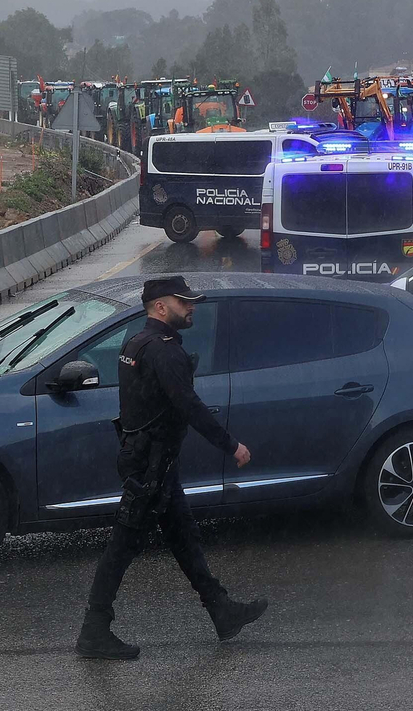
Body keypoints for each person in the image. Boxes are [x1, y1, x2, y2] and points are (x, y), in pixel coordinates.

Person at [78, 276, 268, 660]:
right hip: (152, 466)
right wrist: (231, 445)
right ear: (161, 307)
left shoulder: (135, 342)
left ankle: (222, 610)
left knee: (184, 537)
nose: (191, 307)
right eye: (184, 302)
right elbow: (188, 406)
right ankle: (94, 631)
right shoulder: (164, 352)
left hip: (149, 459)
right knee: (121, 547)